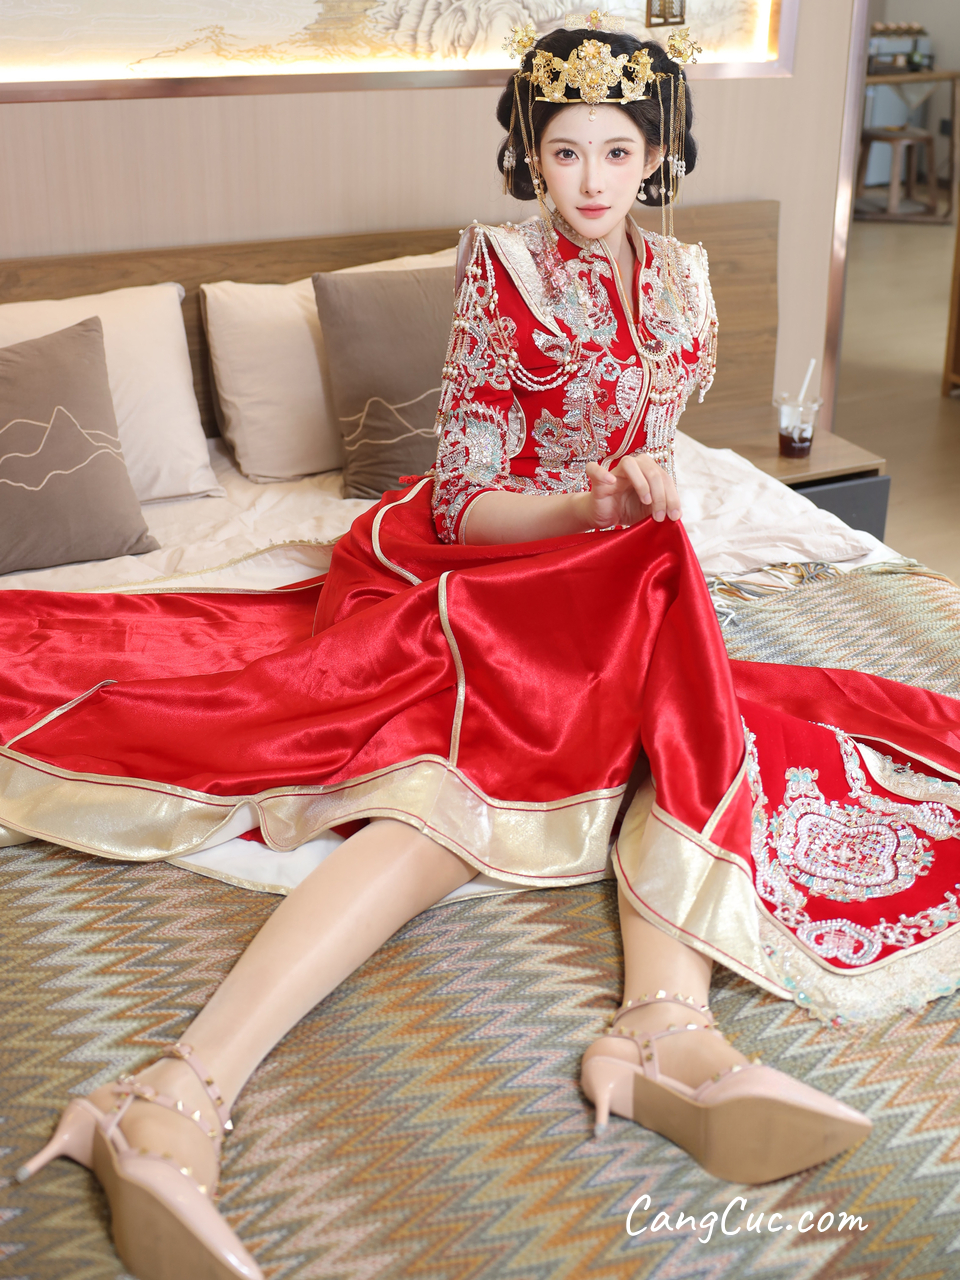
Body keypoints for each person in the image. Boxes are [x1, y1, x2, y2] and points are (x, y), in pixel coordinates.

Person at [7, 17, 960, 1280]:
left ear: (657, 154)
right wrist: (589, 510)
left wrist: (640, 507)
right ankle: (192, 1082)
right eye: (564, 152)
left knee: (661, 655)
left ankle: (653, 1022)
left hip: (622, 576)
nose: (591, 180)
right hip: (487, 569)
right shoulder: (503, 275)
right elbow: (461, 501)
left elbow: (661, 449)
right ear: (531, 155)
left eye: (616, 150)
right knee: (455, 783)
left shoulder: (685, 280)